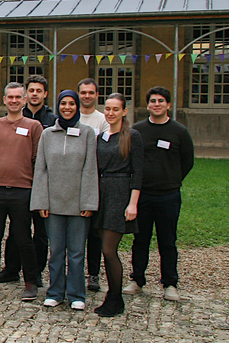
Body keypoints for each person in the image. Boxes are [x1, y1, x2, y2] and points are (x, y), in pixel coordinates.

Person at [31, 90, 99, 311]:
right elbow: (41, 169)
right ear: (58, 106)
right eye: (63, 104)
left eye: (71, 104)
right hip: (53, 203)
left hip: (78, 204)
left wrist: (88, 203)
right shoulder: (47, 134)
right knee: (56, 251)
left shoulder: (87, 133)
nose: (67, 107)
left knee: (77, 252)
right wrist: (41, 201)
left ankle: (77, 294)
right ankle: (55, 292)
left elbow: (90, 169)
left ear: (77, 106)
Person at [125, 86, 194, 302]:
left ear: (168, 105)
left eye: (161, 101)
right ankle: (137, 280)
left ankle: (170, 283)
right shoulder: (137, 130)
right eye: (153, 101)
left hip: (168, 195)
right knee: (140, 239)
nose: (157, 104)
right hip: (143, 194)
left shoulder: (179, 131)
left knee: (168, 241)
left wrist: (172, 178)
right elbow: (130, 159)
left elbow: (188, 161)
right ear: (147, 105)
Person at [0, 82, 43, 301]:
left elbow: (38, 161)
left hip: (22, 191)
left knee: (23, 238)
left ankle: (30, 281)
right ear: (4, 100)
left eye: (18, 97)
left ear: (24, 100)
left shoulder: (34, 126)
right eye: (10, 97)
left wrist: (36, 190)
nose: (14, 100)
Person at [0, 75, 55, 285]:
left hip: (41, 182)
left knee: (41, 231)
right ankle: (11, 268)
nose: (34, 94)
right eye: (31, 90)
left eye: (38, 91)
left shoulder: (52, 119)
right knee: (16, 229)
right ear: (26, 95)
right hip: (19, 183)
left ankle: (36, 271)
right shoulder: (15, 117)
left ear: (45, 94)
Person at [93, 93, 143, 317]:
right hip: (101, 193)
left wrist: (133, 203)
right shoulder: (101, 137)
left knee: (109, 249)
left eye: (115, 109)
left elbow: (138, 172)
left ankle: (115, 297)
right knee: (104, 248)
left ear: (124, 111)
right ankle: (112, 294)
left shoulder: (132, 136)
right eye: (107, 109)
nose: (111, 113)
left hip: (120, 193)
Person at [77, 77, 111, 292]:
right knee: (75, 231)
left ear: (97, 95)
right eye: (83, 92)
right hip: (73, 182)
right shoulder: (71, 117)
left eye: (91, 92)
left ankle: (94, 273)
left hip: (96, 181)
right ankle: (74, 271)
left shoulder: (103, 120)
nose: (87, 96)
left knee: (94, 233)